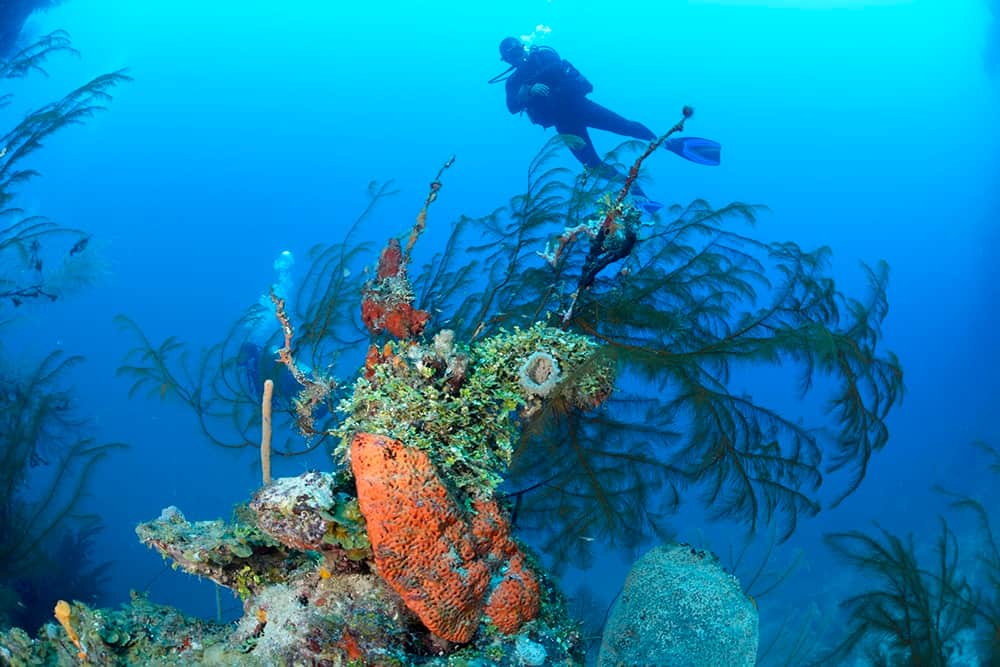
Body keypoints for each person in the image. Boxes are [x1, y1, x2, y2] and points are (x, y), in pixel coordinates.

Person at [491, 36, 720, 210]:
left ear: (523, 47)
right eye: (510, 56)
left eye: (517, 51)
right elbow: (511, 107)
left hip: (579, 106)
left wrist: (530, 84)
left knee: (627, 127)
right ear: (506, 60)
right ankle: (631, 186)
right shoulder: (513, 82)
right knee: (592, 165)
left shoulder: (542, 55)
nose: (515, 57)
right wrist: (526, 91)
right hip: (564, 124)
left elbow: (557, 66)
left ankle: (670, 144)